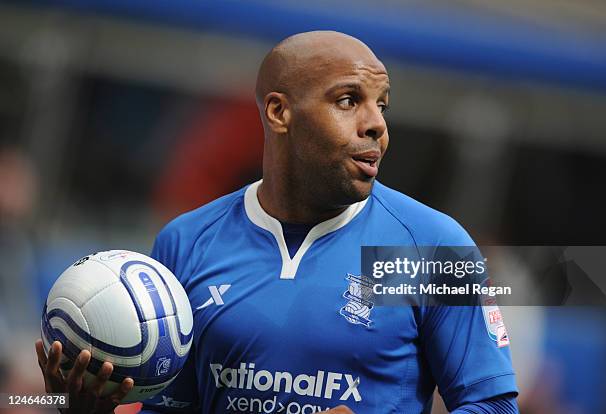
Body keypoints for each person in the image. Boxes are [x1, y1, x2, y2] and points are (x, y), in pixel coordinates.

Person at [36, 31, 518, 413]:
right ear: (279, 111)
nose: (376, 124)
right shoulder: (186, 242)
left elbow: (493, 406)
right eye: (349, 100)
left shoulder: (435, 247)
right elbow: (171, 409)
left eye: (382, 104)